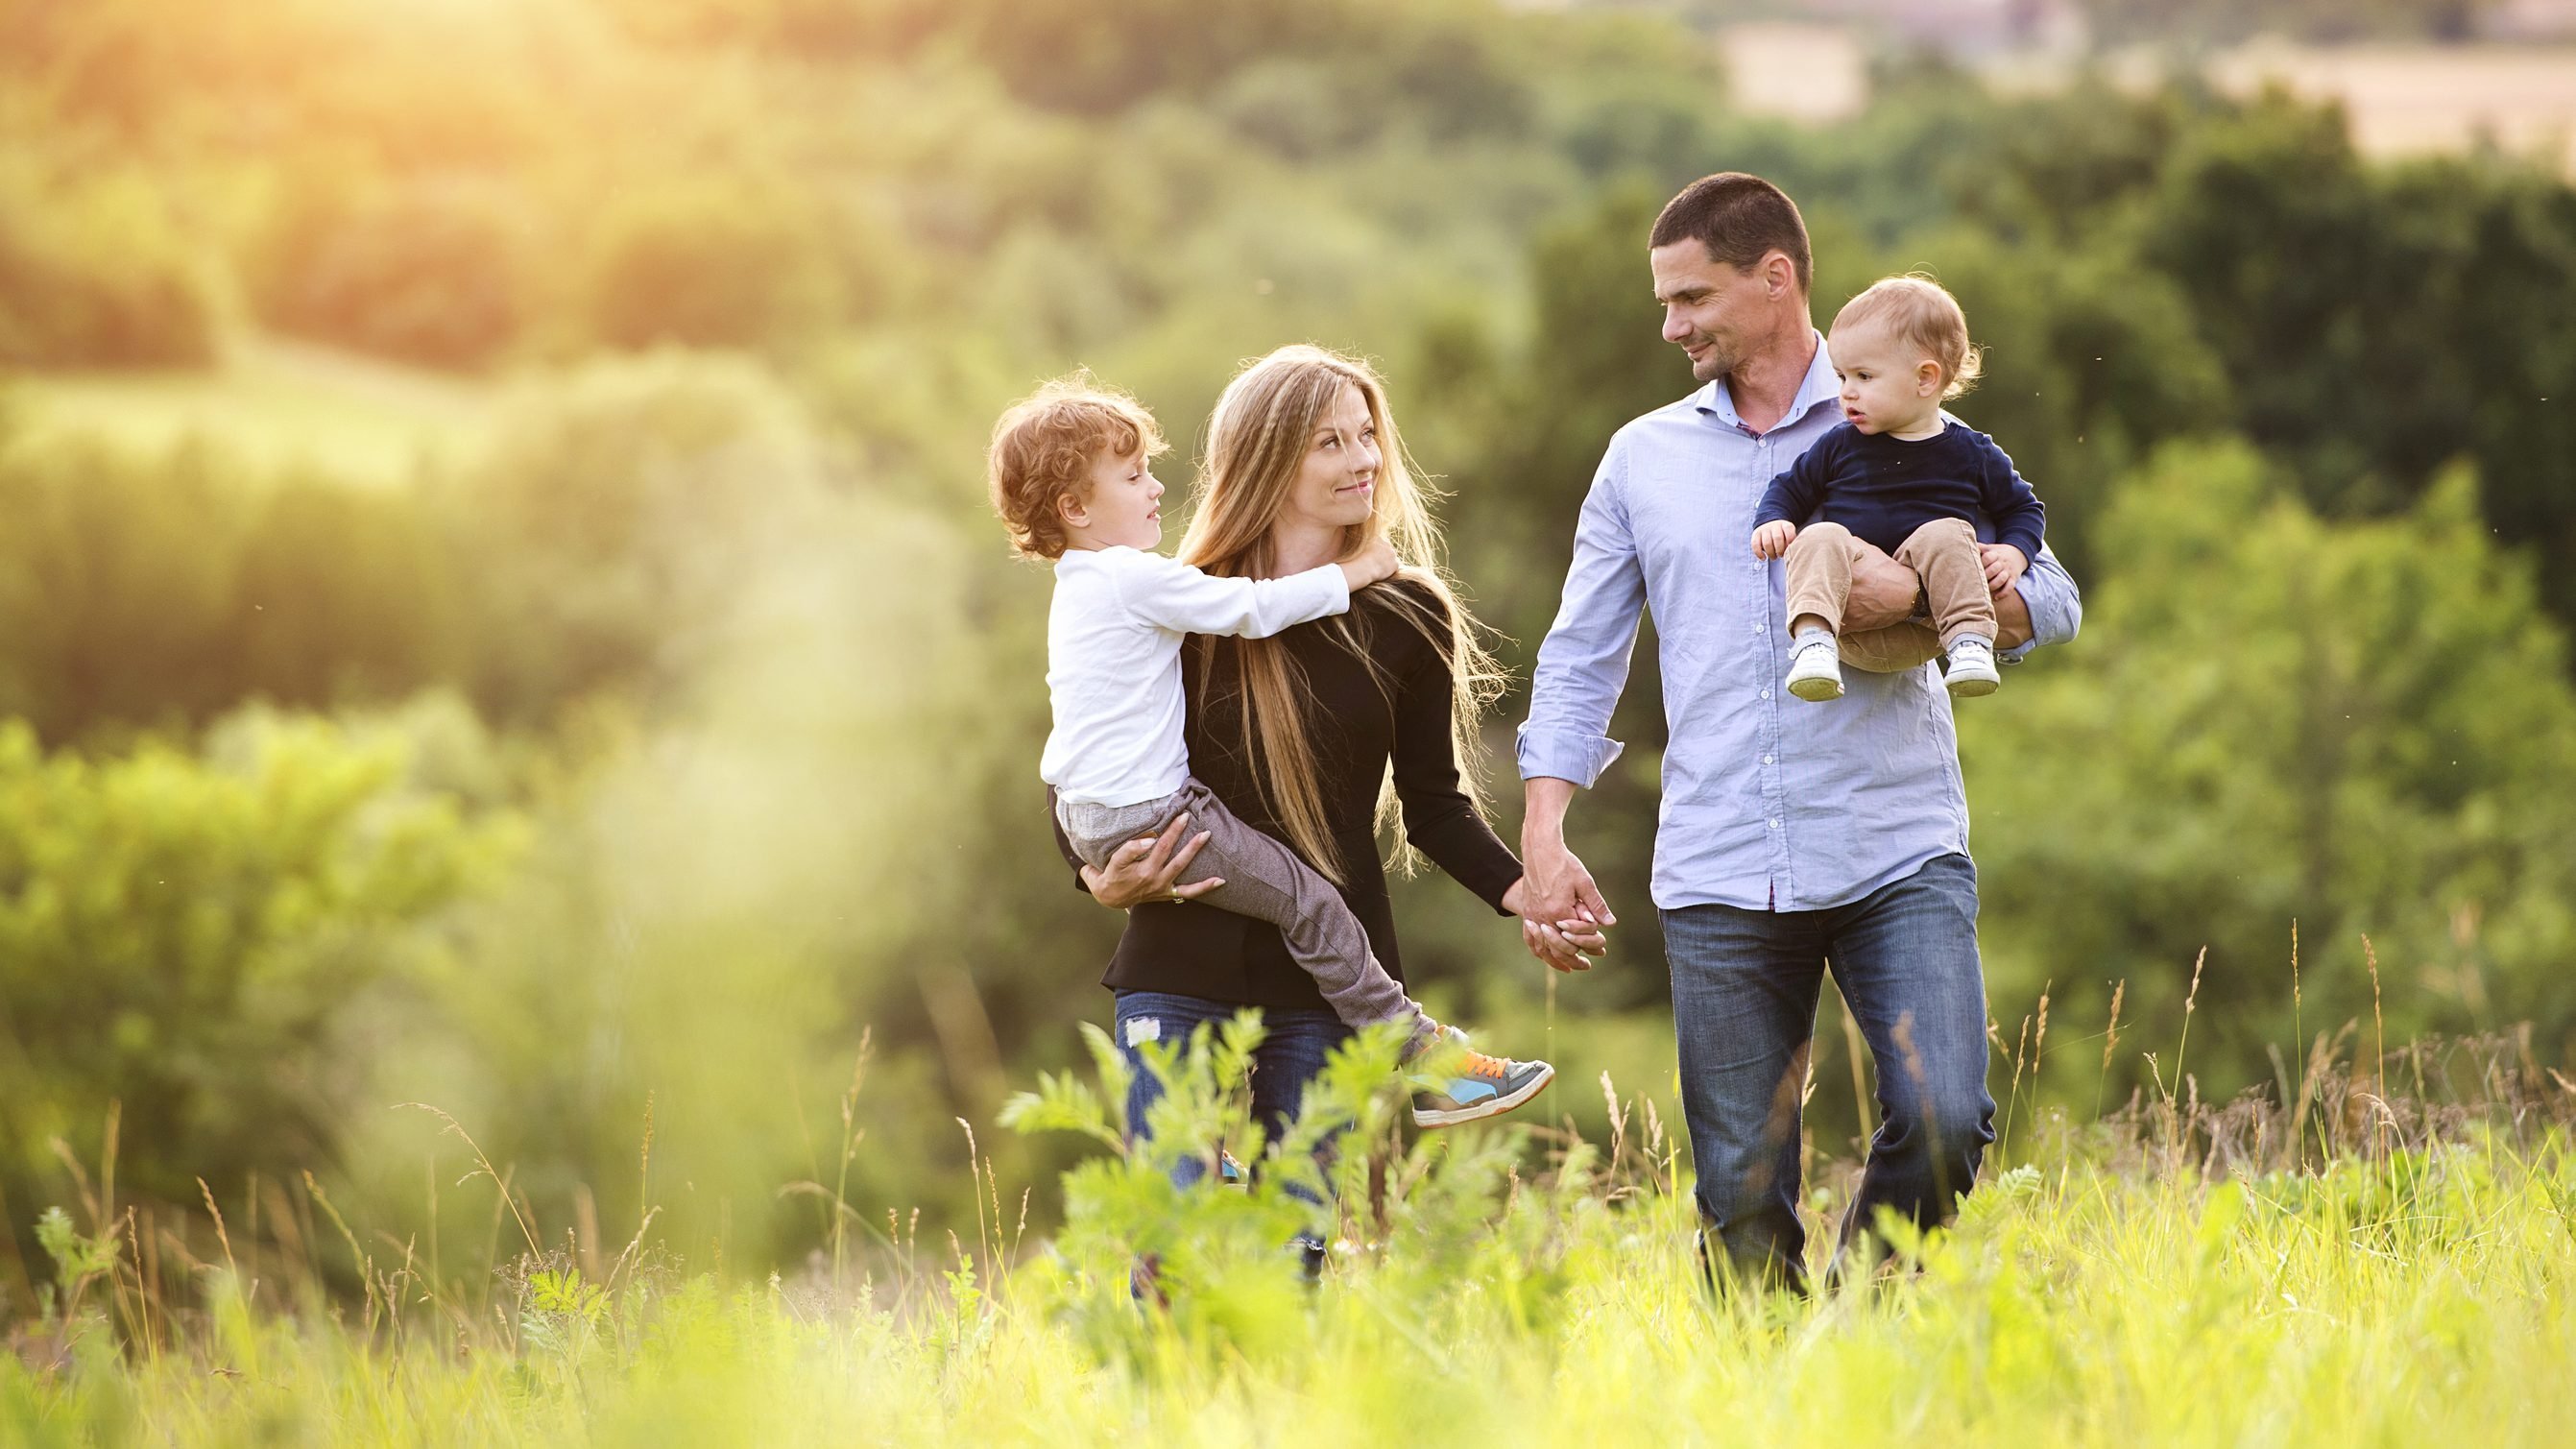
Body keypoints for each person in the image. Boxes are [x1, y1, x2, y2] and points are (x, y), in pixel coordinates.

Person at [1516, 174, 2083, 1292]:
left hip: (1894, 843)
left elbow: (2053, 599)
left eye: (1691, 298)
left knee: (1942, 1118)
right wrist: (1544, 831)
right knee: (1737, 1188)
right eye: (1664, 303)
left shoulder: (1920, 425)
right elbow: (1581, 653)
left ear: (1775, 279)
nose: (1670, 325)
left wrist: (1919, 602)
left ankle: (1854, 1338)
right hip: (1720, 860)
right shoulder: (1642, 458)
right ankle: (1770, 1395)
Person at [1017, 353, 1590, 1196]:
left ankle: (1425, 1056)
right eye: (1330, 441)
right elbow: (1089, 752)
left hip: (1329, 989)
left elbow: (1433, 806)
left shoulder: (1407, 611)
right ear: (1270, 458)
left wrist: (1527, 892)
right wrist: (1096, 875)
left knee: (1297, 1253)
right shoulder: (1187, 598)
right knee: (1177, 1240)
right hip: (1180, 968)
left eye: (1367, 437)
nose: (1362, 460)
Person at [1748, 274, 2045, 704]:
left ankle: (1971, 645)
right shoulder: (1839, 443)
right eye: (1841, 376)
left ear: (1925, 379)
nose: (1846, 392)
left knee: (1946, 532)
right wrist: (1773, 519)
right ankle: (1812, 643)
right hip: (1850, 624)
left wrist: (2015, 553)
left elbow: (2024, 508)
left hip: (1933, 632)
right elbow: (1789, 488)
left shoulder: (1972, 451)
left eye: (1864, 377)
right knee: (1820, 535)